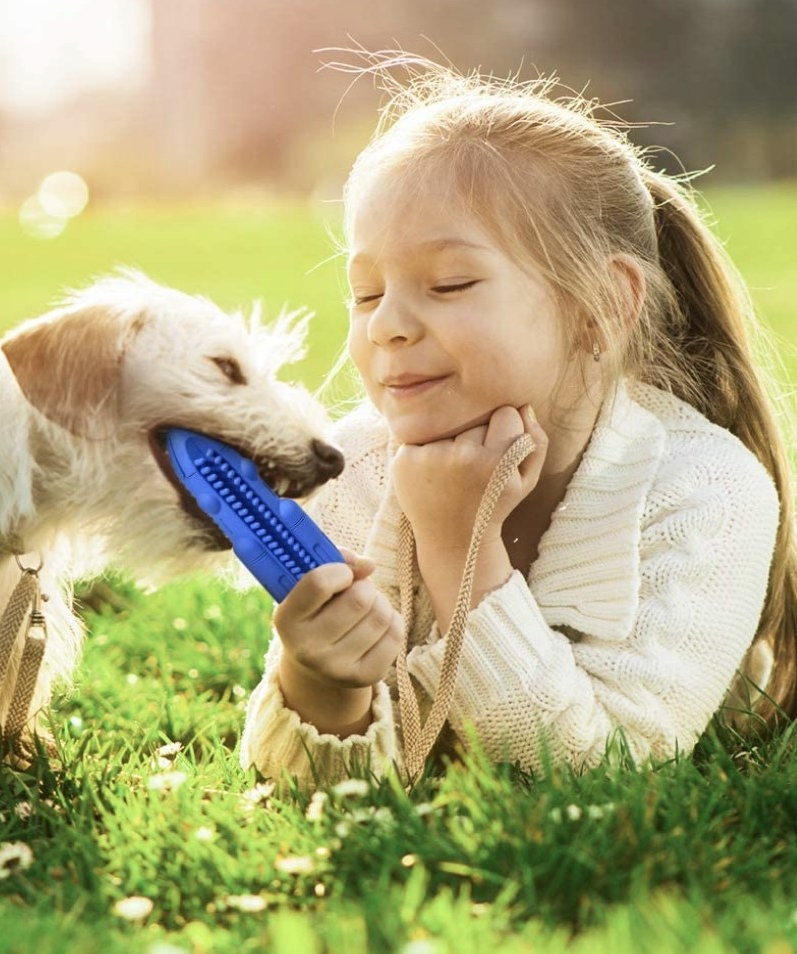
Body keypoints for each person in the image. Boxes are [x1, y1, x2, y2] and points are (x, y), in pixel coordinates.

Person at [239, 56, 797, 786]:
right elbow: (319, 788)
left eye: (449, 283)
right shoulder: (353, 473)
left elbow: (602, 770)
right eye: (366, 294)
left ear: (603, 304)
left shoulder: (708, 491)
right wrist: (322, 686)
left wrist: (457, 549)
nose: (387, 327)